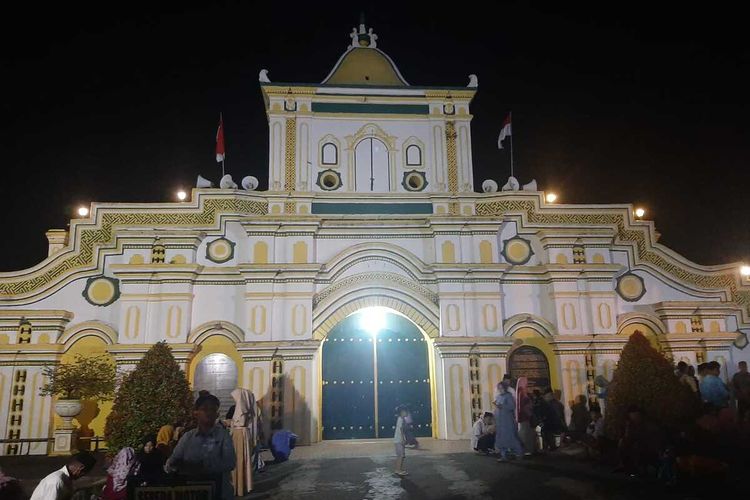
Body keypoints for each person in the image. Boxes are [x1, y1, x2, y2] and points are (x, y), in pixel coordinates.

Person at [165, 394, 236, 500]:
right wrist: (173, 465)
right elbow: (172, 462)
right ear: (195, 413)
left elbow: (230, 463)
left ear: (217, 414)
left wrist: (202, 467)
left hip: (218, 493)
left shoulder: (223, 436)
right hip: (190, 492)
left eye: (213, 409)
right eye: (205, 409)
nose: (209, 413)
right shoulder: (188, 437)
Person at [30, 452, 97, 500]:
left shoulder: (67, 480)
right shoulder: (56, 480)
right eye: (85, 472)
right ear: (81, 468)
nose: (83, 476)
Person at [228, 388, 255, 496]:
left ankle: (238, 487)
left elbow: (237, 423)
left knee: (238, 460)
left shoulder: (241, 411)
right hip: (242, 434)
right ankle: (242, 486)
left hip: (239, 435)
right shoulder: (244, 410)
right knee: (242, 460)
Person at [494, 380, 523, 461]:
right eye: (499, 388)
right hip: (500, 421)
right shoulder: (498, 397)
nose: (500, 390)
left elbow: (512, 406)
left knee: (511, 437)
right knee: (501, 439)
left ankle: (519, 452)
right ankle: (503, 455)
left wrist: (502, 406)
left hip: (507, 421)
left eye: (501, 388)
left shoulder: (508, 396)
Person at [515, 377, 535, 455]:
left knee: (524, 433)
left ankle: (524, 449)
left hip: (522, 417)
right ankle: (528, 450)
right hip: (526, 418)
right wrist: (530, 414)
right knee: (527, 434)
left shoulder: (519, 393)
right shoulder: (523, 394)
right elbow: (525, 407)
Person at [394, 405, 408, 476]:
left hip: (398, 440)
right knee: (400, 456)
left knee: (400, 455)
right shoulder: (401, 419)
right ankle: (398, 470)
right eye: (406, 411)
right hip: (399, 440)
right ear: (402, 412)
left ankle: (398, 469)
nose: (407, 413)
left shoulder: (401, 419)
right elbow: (401, 429)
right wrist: (403, 439)